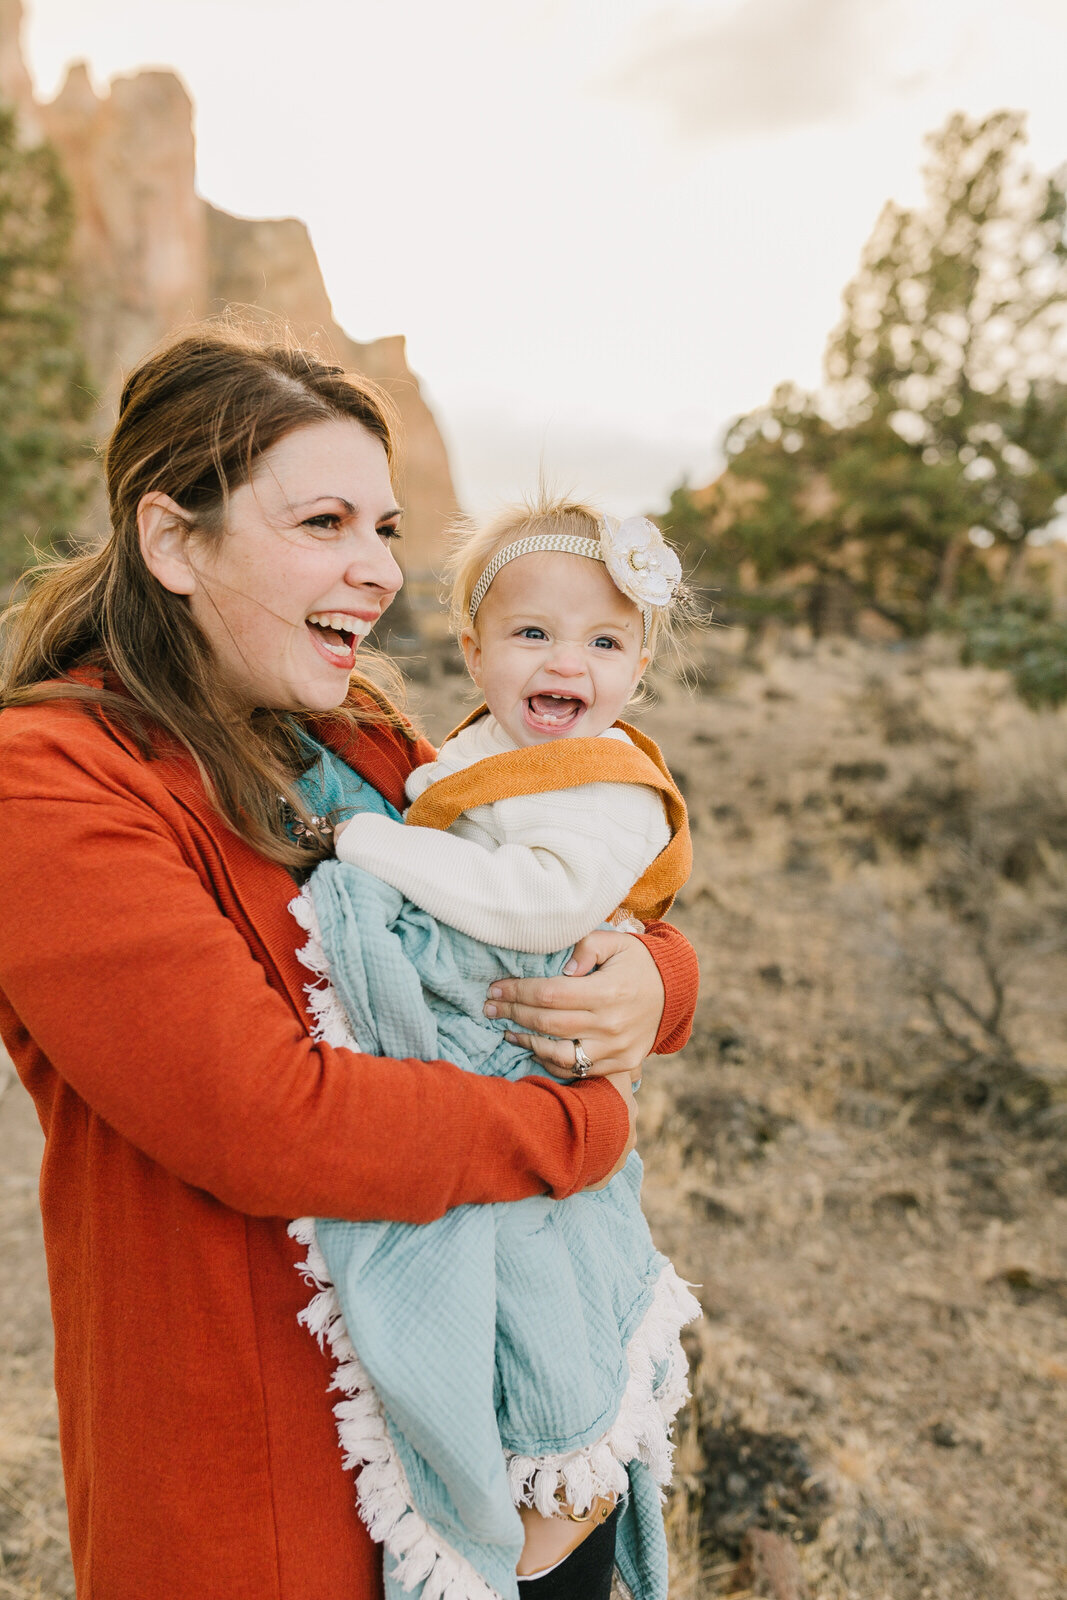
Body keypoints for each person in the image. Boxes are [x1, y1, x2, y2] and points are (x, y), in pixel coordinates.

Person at [0, 326, 700, 1600]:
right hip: (268, 1476)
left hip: (496, 1426)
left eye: (382, 528)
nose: (374, 571)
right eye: (323, 522)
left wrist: (654, 981)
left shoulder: (357, 736)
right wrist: (576, 1128)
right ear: (172, 541)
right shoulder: (52, 786)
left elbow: (524, 883)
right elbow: (267, 1120)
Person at [289, 500, 700, 1600]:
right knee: (481, 1275)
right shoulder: (480, 748)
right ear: (471, 647)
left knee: (538, 1273)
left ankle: (550, 1482)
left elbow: (537, 901)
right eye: (532, 635)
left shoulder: (607, 777)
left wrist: (366, 847)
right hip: (482, 1062)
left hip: (528, 1052)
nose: (567, 660)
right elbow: (450, 817)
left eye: (603, 643)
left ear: (638, 669)